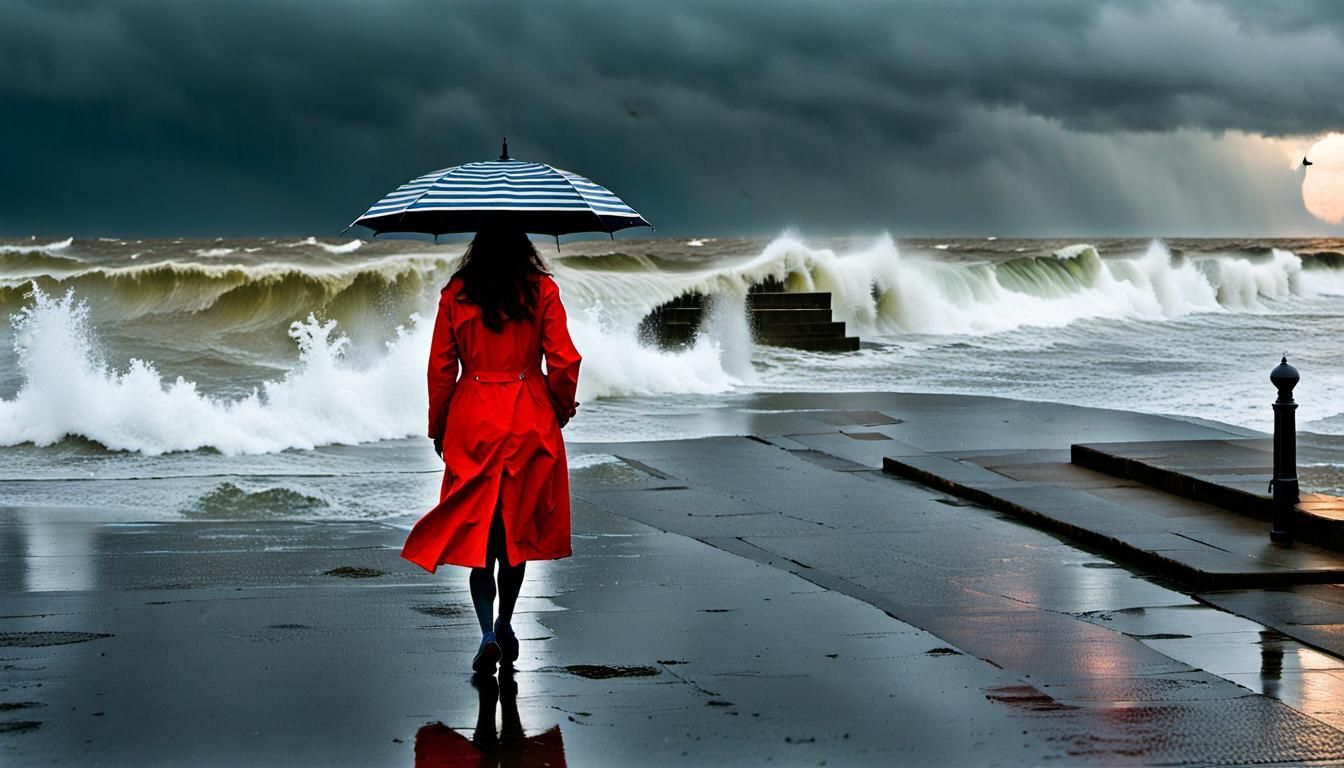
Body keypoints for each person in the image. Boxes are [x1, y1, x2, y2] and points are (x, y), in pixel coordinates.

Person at [401, 228, 581, 675]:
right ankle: (505, 622)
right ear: (525, 247)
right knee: (515, 531)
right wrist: (558, 408)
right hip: (528, 416)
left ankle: (485, 631)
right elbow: (563, 361)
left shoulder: (456, 294)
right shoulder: (542, 289)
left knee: (480, 531)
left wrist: (439, 427)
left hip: (473, 418)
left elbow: (441, 369)